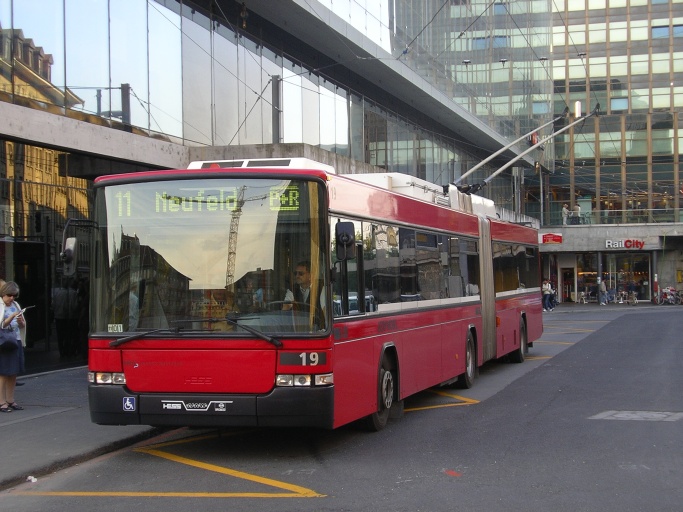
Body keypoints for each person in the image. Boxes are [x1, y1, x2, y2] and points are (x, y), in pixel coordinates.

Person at [0, 281, 27, 413]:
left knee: (13, 372)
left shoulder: (16, 305)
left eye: (14, 296)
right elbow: (2, 325)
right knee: (4, 372)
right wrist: (10, 317)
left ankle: (10, 400)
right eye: (9, 295)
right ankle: (1, 401)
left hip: (16, 340)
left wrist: (21, 322)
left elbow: (22, 326)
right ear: (3, 293)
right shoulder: (0, 306)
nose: (12, 298)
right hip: (4, 342)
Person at [283, 260, 327, 328]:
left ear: (310, 275)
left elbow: (325, 310)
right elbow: (285, 307)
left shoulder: (321, 288)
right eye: (295, 273)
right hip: (299, 330)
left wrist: (326, 329)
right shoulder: (292, 289)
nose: (297, 276)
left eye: (300, 273)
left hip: (317, 331)